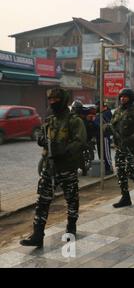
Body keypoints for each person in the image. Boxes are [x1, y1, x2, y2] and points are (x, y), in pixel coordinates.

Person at [20, 88, 87, 248]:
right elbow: (43, 136)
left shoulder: (74, 120)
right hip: (49, 168)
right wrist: (41, 139)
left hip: (67, 167)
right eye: (50, 99)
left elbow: (80, 141)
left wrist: (64, 150)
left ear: (63, 100)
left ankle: (71, 226)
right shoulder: (49, 120)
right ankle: (37, 234)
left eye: (55, 99)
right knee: (42, 201)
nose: (52, 102)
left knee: (71, 199)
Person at [110, 88, 134, 208]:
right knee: (120, 172)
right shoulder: (117, 111)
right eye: (121, 97)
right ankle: (125, 197)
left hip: (131, 146)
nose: (123, 98)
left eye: (125, 97)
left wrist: (132, 138)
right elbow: (112, 125)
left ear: (130, 98)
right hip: (119, 146)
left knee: (131, 170)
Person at [94, 100, 113, 175]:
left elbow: (107, 124)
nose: (96, 107)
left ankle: (109, 168)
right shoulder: (99, 114)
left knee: (106, 153)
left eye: (97, 106)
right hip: (99, 136)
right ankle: (104, 167)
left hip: (104, 136)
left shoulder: (106, 113)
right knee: (101, 153)